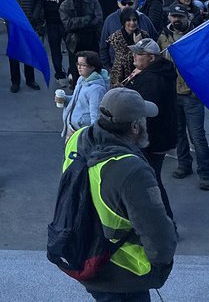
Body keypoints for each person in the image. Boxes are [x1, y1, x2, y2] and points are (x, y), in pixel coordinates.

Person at [62, 87, 177, 301]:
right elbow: (157, 232)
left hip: (85, 253)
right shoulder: (132, 171)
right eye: (143, 119)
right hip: (122, 273)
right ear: (135, 127)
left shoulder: (77, 138)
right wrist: (161, 264)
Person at [158, 5, 209, 191]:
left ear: (187, 16)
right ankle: (184, 165)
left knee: (197, 136)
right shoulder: (163, 36)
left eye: (180, 16)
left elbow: (206, 61)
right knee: (178, 133)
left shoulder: (197, 34)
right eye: (173, 16)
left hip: (192, 94)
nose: (176, 20)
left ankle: (205, 173)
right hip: (172, 93)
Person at [125, 38, 178, 215]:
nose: (134, 56)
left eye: (139, 54)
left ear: (152, 58)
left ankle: (166, 220)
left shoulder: (150, 79)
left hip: (151, 139)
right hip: (161, 137)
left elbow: (142, 110)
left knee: (152, 181)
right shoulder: (159, 72)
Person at [61, 50, 108, 138]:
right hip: (72, 129)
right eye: (78, 64)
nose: (79, 67)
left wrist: (91, 138)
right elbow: (77, 100)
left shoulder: (96, 90)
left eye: (83, 65)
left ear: (93, 67)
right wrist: (65, 99)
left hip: (82, 133)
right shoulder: (81, 79)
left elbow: (96, 116)